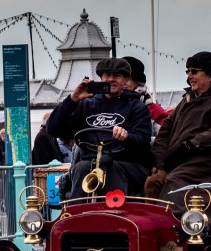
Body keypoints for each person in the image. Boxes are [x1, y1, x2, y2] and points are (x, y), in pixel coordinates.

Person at [145, 51, 211, 241]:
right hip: (179, 163)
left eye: (194, 71)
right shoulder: (185, 101)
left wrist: (187, 148)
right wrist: (159, 161)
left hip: (210, 165)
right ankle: (155, 235)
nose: (189, 76)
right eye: (188, 71)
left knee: (174, 182)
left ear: (210, 75)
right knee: (152, 182)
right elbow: (164, 131)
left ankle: (179, 233)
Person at [46, 57, 153, 198]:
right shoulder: (86, 104)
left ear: (126, 80)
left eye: (117, 76)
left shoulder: (137, 107)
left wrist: (126, 136)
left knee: (110, 167)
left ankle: (112, 214)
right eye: (107, 75)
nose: (111, 79)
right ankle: (77, 215)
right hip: (90, 163)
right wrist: (72, 99)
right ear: (101, 78)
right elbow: (54, 129)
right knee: (81, 167)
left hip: (125, 163)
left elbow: (143, 141)